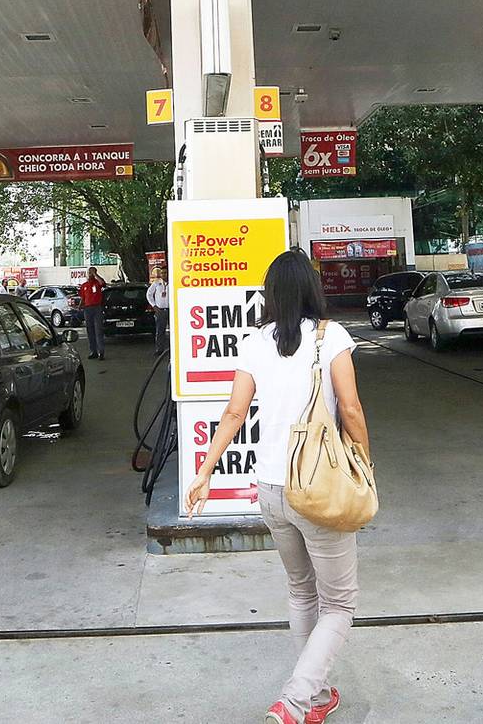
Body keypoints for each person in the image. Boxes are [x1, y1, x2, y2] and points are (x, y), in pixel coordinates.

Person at [186, 251, 369, 724]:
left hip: (270, 488)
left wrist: (204, 472)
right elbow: (350, 410)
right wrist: (364, 464)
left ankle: (316, 694)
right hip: (319, 486)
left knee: (301, 591)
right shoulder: (332, 338)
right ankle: (293, 702)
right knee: (340, 603)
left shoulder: (254, 342)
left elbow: (232, 414)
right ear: (312, 288)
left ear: (271, 293)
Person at [78, 266, 107, 360]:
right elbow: (83, 297)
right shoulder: (84, 285)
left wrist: (95, 274)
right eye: (89, 272)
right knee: (90, 331)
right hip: (87, 309)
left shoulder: (97, 283)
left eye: (92, 272)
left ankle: (101, 352)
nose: (90, 274)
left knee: (98, 330)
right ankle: (93, 351)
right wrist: (80, 306)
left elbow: (103, 283)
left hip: (97, 308)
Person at [146, 266, 170, 355]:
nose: (164, 275)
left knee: (175, 331)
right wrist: (154, 306)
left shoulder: (173, 282)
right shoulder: (156, 283)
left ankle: (173, 349)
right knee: (160, 331)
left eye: (165, 273)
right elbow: (149, 294)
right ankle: (159, 350)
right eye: (162, 273)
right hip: (160, 310)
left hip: (171, 309)